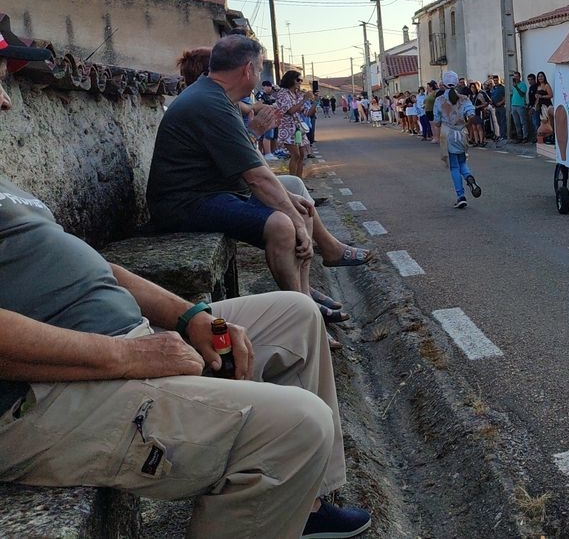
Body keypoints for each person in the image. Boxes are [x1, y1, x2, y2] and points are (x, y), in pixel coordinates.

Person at [0, 174, 372, 538]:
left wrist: (190, 316)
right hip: (50, 389)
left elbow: (98, 269)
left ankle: (302, 508)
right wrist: (127, 356)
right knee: (300, 424)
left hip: (122, 340)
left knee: (295, 314)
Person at [146, 36, 371, 321]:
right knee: (282, 224)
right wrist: (296, 222)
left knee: (299, 204)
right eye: (259, 66)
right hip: (185, 204)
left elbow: (255, 167)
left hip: (212, 191)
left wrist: (292, 205)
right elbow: (256, 178)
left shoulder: (217, 96)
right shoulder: (210, 104)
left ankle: (304, 298)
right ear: (247, 70)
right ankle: (301, 317)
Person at [433, 71, 483, 208]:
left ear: (443, 83)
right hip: (462, 133)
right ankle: (468, 176)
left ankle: (461, 195)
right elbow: (472, 115)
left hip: (447, 134)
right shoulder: (464, 99)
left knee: (454, 166)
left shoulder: (439, 100)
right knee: (462, 161)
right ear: (456, 83)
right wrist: (465, 125)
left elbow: (437, 121)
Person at [272, 71, 308, 178]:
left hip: (297, 128)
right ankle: (293, 181)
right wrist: (304, 100)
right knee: (295, 155)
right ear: (291, 80)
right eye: (298, 80)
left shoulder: (296, 94)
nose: (300, 82)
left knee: (301, 155)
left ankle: (299, 181)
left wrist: (315, 102)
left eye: (301, 80)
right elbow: (290, 110)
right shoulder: (283, 93)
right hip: (287, 128)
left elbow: (306, 112)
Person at [510, 70, 529, 143]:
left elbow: (522, 94)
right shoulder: (514, 85)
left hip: (520, 105)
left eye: (517, 76)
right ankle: (519, 136)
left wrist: (517, 87)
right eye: (514, 77)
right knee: (516, 122)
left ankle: (525, 136)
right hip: (514, 105)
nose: (515, 78)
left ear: (519, 77)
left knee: (523, 122)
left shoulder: (523, 84)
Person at [490, 73, 507, 141]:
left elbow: (506, 97)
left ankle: (504, 135)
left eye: (497, 80)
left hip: (502, 107)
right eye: (494, 80)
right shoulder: (493, 88)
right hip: (495, 107)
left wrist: (501, 102)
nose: (495, 82)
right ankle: (500, 135)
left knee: (503, 122)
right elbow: (492, 96)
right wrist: (492, 102)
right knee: (498, 122)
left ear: (499, 80)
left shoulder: (502, 88)